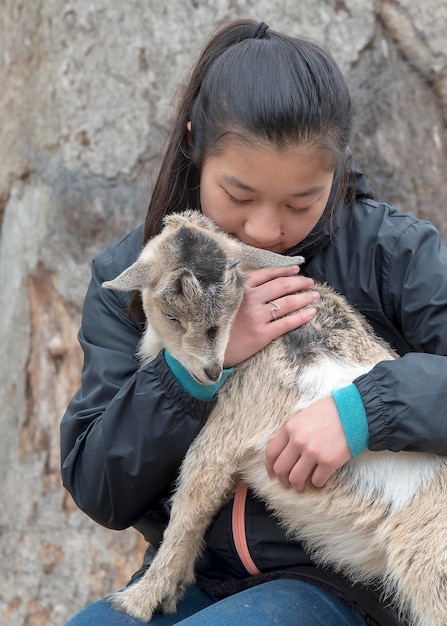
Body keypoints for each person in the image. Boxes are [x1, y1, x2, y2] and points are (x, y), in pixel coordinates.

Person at [60, 18, 447, 626]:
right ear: (194, 143)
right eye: (238, 197)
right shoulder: (134, 276)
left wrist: (365, 413)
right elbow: (100, 487)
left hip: (347, 585)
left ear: (338, 167)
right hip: (201, 576)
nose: (267, 229)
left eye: (301, 203)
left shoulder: (391, 251)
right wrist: (196, 362)